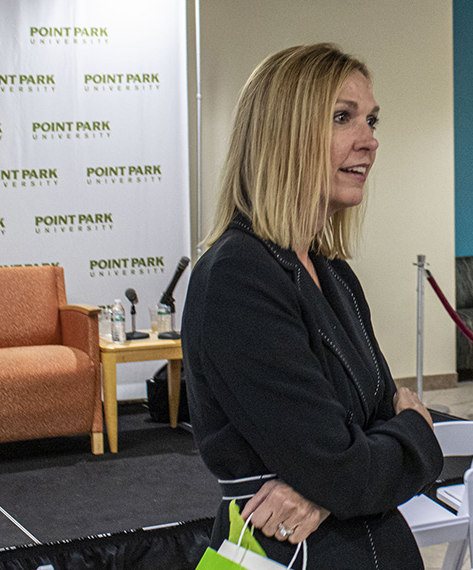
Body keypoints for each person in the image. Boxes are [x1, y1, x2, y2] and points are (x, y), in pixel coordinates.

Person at [182, 43, 443, 568]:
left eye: (371, 120)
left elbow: (348, 458)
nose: (369, 141)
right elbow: (348, 465)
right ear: (284, 134)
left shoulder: (333, 274)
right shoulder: (237, 276)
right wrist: (415, 433)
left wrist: (332, 481)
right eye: (343, 118)